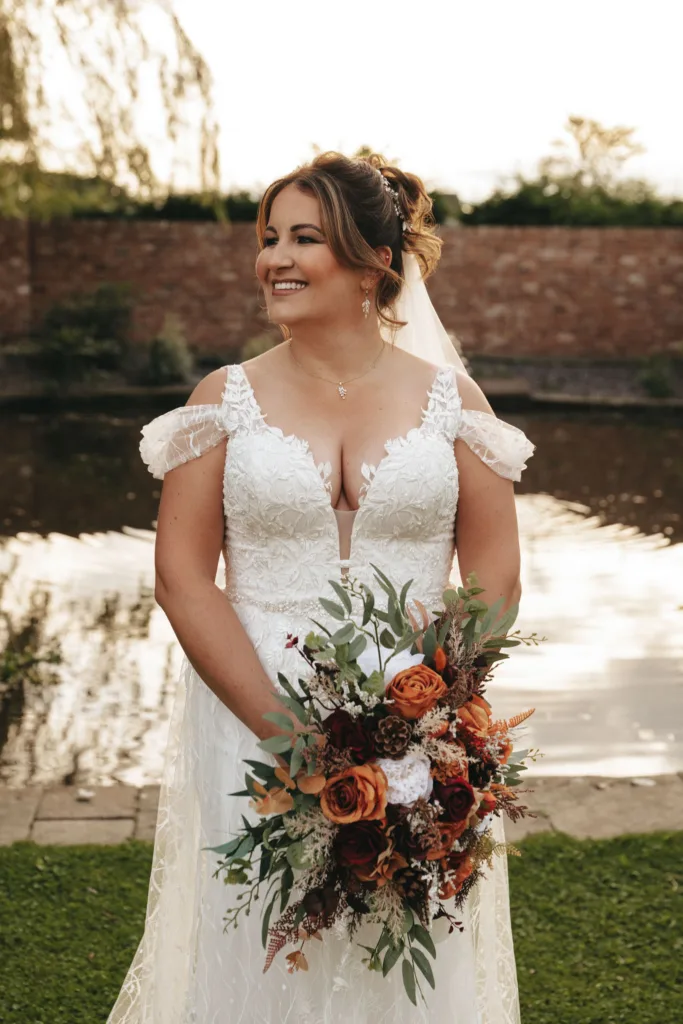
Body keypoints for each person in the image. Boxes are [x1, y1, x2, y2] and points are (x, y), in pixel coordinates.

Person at [108, 152, 535, 1023]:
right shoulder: (223, 399)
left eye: (306, 238)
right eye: (269, 239)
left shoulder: (454, 404)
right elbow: (182, 579)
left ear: (377, 261)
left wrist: (430, 715)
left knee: (402, 941)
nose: (275, 259)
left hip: (415, 723)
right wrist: (290, 738)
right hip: (252, 708)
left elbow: (493, 581)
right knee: (263, 947)